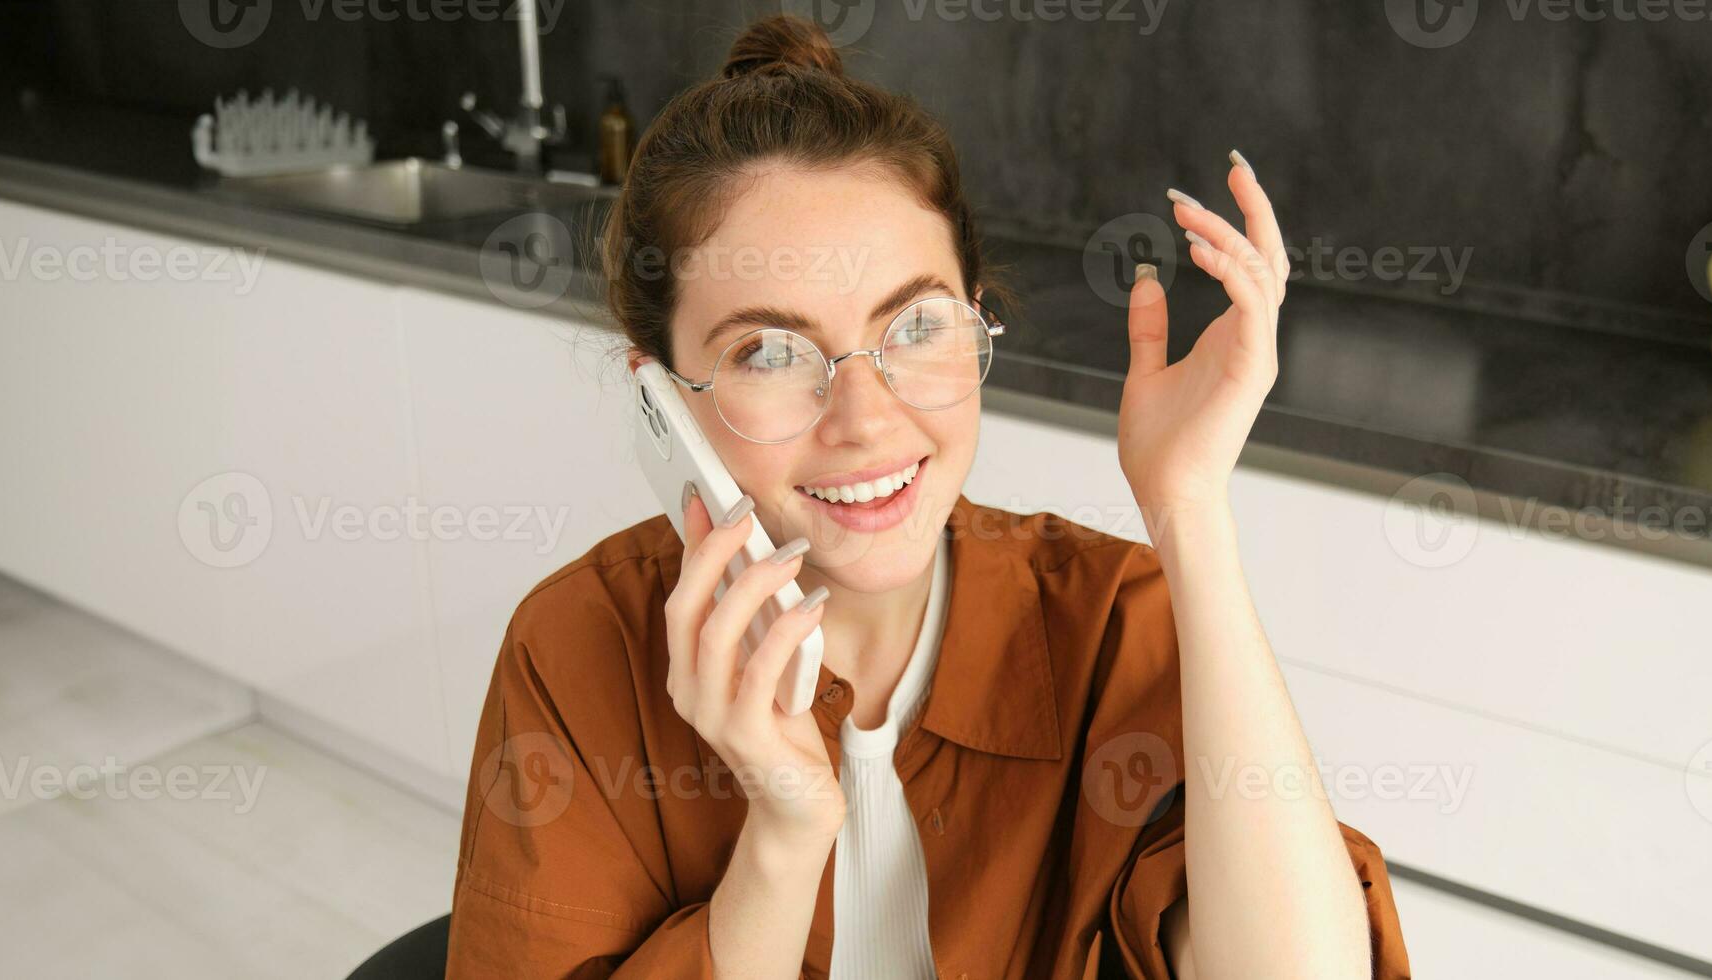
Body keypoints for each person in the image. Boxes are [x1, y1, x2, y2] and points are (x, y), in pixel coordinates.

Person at [446, 14, 1411, 979]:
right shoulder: (579, 648)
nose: (863, 419)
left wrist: (1189, 508)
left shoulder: (1113, 624)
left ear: (977, 318)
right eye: (769, 351)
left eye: (914, 324)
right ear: (661, 398)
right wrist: (783, 836)